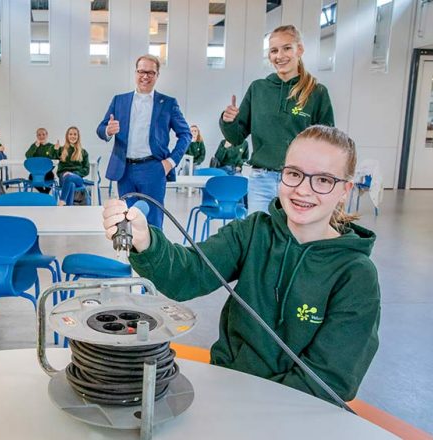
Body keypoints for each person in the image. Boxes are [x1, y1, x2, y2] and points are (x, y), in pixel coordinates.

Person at [102, 125, 380, 405]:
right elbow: (187, 274)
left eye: (322, 180)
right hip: (227, 388)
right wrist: (146, 240)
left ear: (345, 190)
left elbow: (329, 380)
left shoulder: (355, 274)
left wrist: (251, 411)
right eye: (294, 174)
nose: (303, 190)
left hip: (293, 414)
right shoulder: (252, 232)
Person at [220, 25, 334, 215]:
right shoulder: (258, 89)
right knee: (261, 236)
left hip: (300, 182)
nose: (279, 55)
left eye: (287, 48)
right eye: (274, 51)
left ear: (300, 50)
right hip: (261, 180)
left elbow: (327, 142)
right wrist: (228, 121)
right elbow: (237, 137)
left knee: (294, 237)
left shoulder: (317, 92)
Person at [97, 54, 190, 228]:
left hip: (153, 169)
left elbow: (186, 134)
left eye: (150, 72)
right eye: (141, 71)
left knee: (153, 223)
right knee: (127, 222)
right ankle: (132, 255)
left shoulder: (168, 103)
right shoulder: (120, 100)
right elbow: (101, 129)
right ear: (135, 73)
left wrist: (170, 162)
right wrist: (108, 131)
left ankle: (155, 255)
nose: (145, 76)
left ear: (157, 75)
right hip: (124, 171)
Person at [55, 127, 90, 206]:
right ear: (67, 136)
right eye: (70, 134)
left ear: (78, 136)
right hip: (63, 178)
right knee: (71, 183)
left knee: (70, 177)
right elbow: (51, 156)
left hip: (77, 177)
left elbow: (86, 170)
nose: (73, 136)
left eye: (75, 134)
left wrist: (73, 174)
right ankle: (69, 207)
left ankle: (62, 201)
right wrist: (55, 149)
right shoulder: (61, 149)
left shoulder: (83, 152)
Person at [25, 127, 58, 193]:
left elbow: (56, 159)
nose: (41, 136)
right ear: (37, 136)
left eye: (43, 134)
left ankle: (45, 193)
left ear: (47, 135)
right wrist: (35, 146)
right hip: (35, 173)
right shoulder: (34, 145)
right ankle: (44, 193)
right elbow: (28, 156)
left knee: (51, 177)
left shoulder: (51, 146)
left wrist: (57, 150)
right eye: (39, 135)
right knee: (31, 178)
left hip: (48, 173)